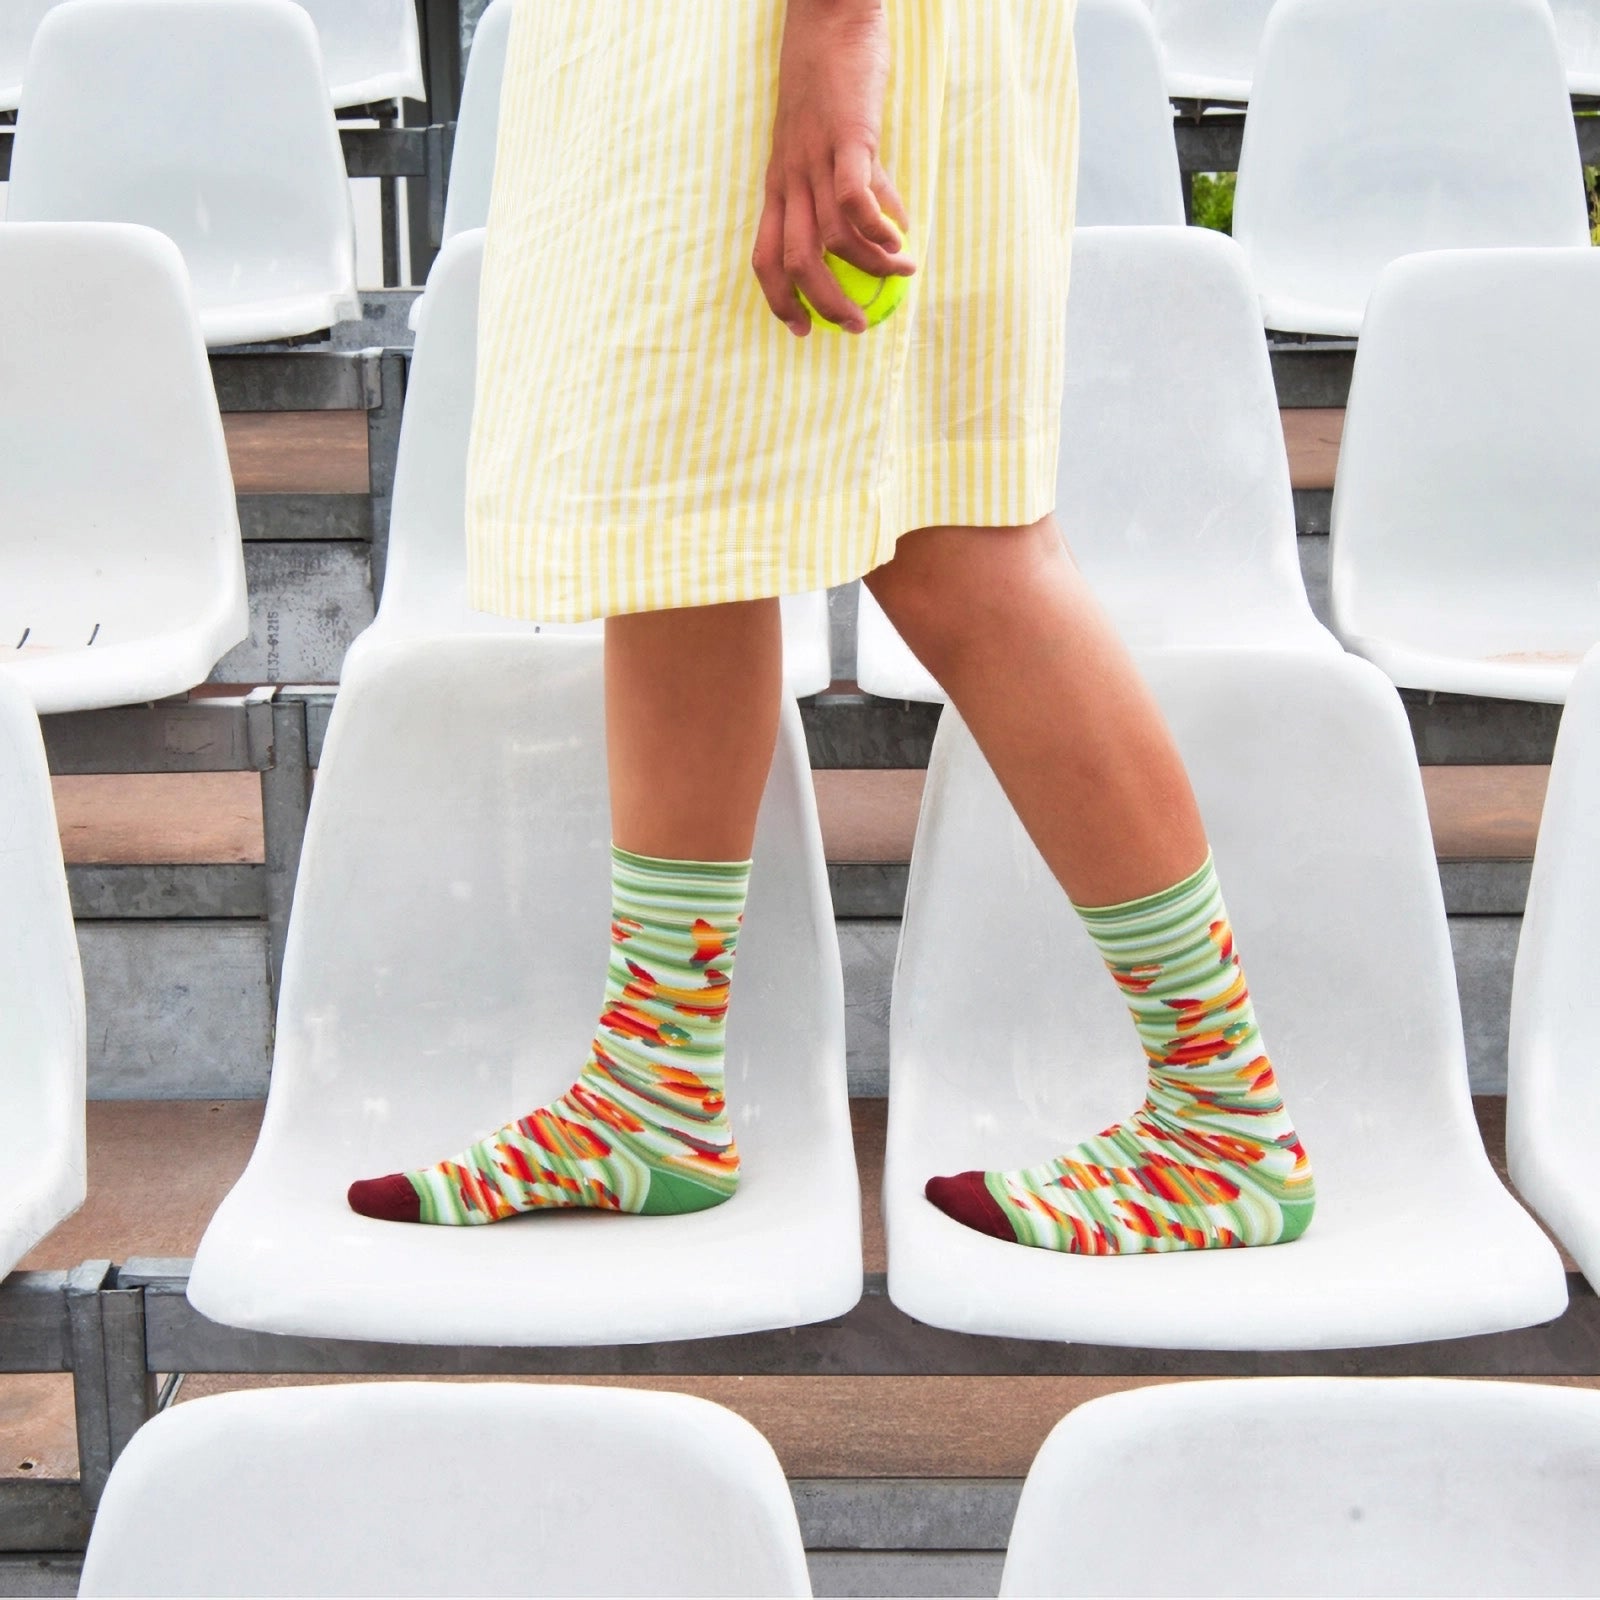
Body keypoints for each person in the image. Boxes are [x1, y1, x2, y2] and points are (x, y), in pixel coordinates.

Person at [348, 0, 1315, 1253]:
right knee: (675, 520)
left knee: (948, 529)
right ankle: (651, 1085)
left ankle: (1220, 1115)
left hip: (771, 39)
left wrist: (837, 35)